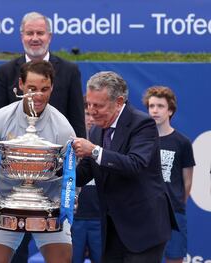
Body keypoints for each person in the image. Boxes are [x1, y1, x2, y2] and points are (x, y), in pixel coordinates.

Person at [0, 11, 85, 262]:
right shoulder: (4, 85)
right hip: (7, 194)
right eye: (30, 33)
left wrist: (70, 192)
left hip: (50, 196)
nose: (37, 95)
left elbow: (77, 137)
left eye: (40, 32)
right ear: (20, 85)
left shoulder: (64, 118)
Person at [72, 71, 178, 263]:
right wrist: (52, 167)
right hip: (112, 230)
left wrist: (94, 151)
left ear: (119, 102)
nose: (91, 110)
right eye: (88, 104)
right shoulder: (96, 129)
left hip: (143, 229)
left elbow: (134, 164)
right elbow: (83, 173)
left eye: (98, 105)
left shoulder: (142, 124)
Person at [142, 86, 195, 263]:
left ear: (170, 110)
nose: (155, 110)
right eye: (151, 106)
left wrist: (176, 204)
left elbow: (187, 181)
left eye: (160, 106)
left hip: (174, 213)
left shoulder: (183, 142)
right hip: (147, 212)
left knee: (174, 258)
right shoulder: (141, 140)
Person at [71, 96, 101, 263]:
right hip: (76, 218)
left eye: (93, 114)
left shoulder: (106, 142)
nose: (90, 119)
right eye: (86, 114)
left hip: (100, 217)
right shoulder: (71, 144)